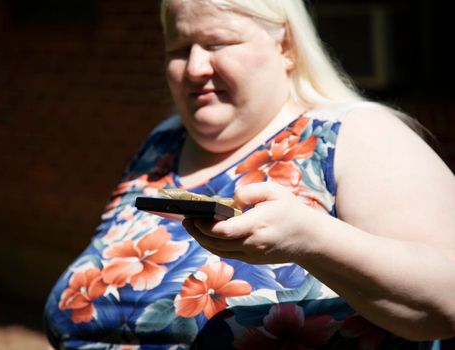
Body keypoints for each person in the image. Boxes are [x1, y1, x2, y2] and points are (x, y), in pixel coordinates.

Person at [43, 0, 455, 348]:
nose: (195, 67)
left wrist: (312, 240)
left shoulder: (355, 133)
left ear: (286, 46)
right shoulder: (163, 145)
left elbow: (448, 302)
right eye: (179, 47)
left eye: (218, 42)